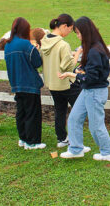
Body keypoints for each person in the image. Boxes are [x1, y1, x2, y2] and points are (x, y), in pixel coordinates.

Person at [59, 16, 110, 161]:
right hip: (88, 91)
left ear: (86, 32)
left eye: (78, 33)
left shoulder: (95, 51)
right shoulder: (93, 48)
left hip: (95, 92)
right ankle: (76, 149)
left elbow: (92, 77)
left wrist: (74, 74)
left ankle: (108, 152)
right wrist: (80, 70)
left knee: (96, 125)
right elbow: (90, 71)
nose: (78, 36)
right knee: (74, 118)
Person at [40, 13, 82, 148]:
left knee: (60, 111)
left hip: (52, 83)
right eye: (70, 29)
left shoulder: (44, 41)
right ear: (64, 26)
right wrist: (77, 55)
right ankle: (76, 139)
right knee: (79, 109)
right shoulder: (63, 45)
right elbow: (67, 67)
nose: (69, 33)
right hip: (65, 83)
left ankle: (62, 138)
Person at [4, 17, 45, 150]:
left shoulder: (8, 45)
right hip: (29, 83)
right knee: (32, 113)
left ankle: (23, 138)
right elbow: (37, 62)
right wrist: (37, 50)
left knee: (21, 112)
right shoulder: (26, 45)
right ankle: (32, 141)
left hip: (16, 83)